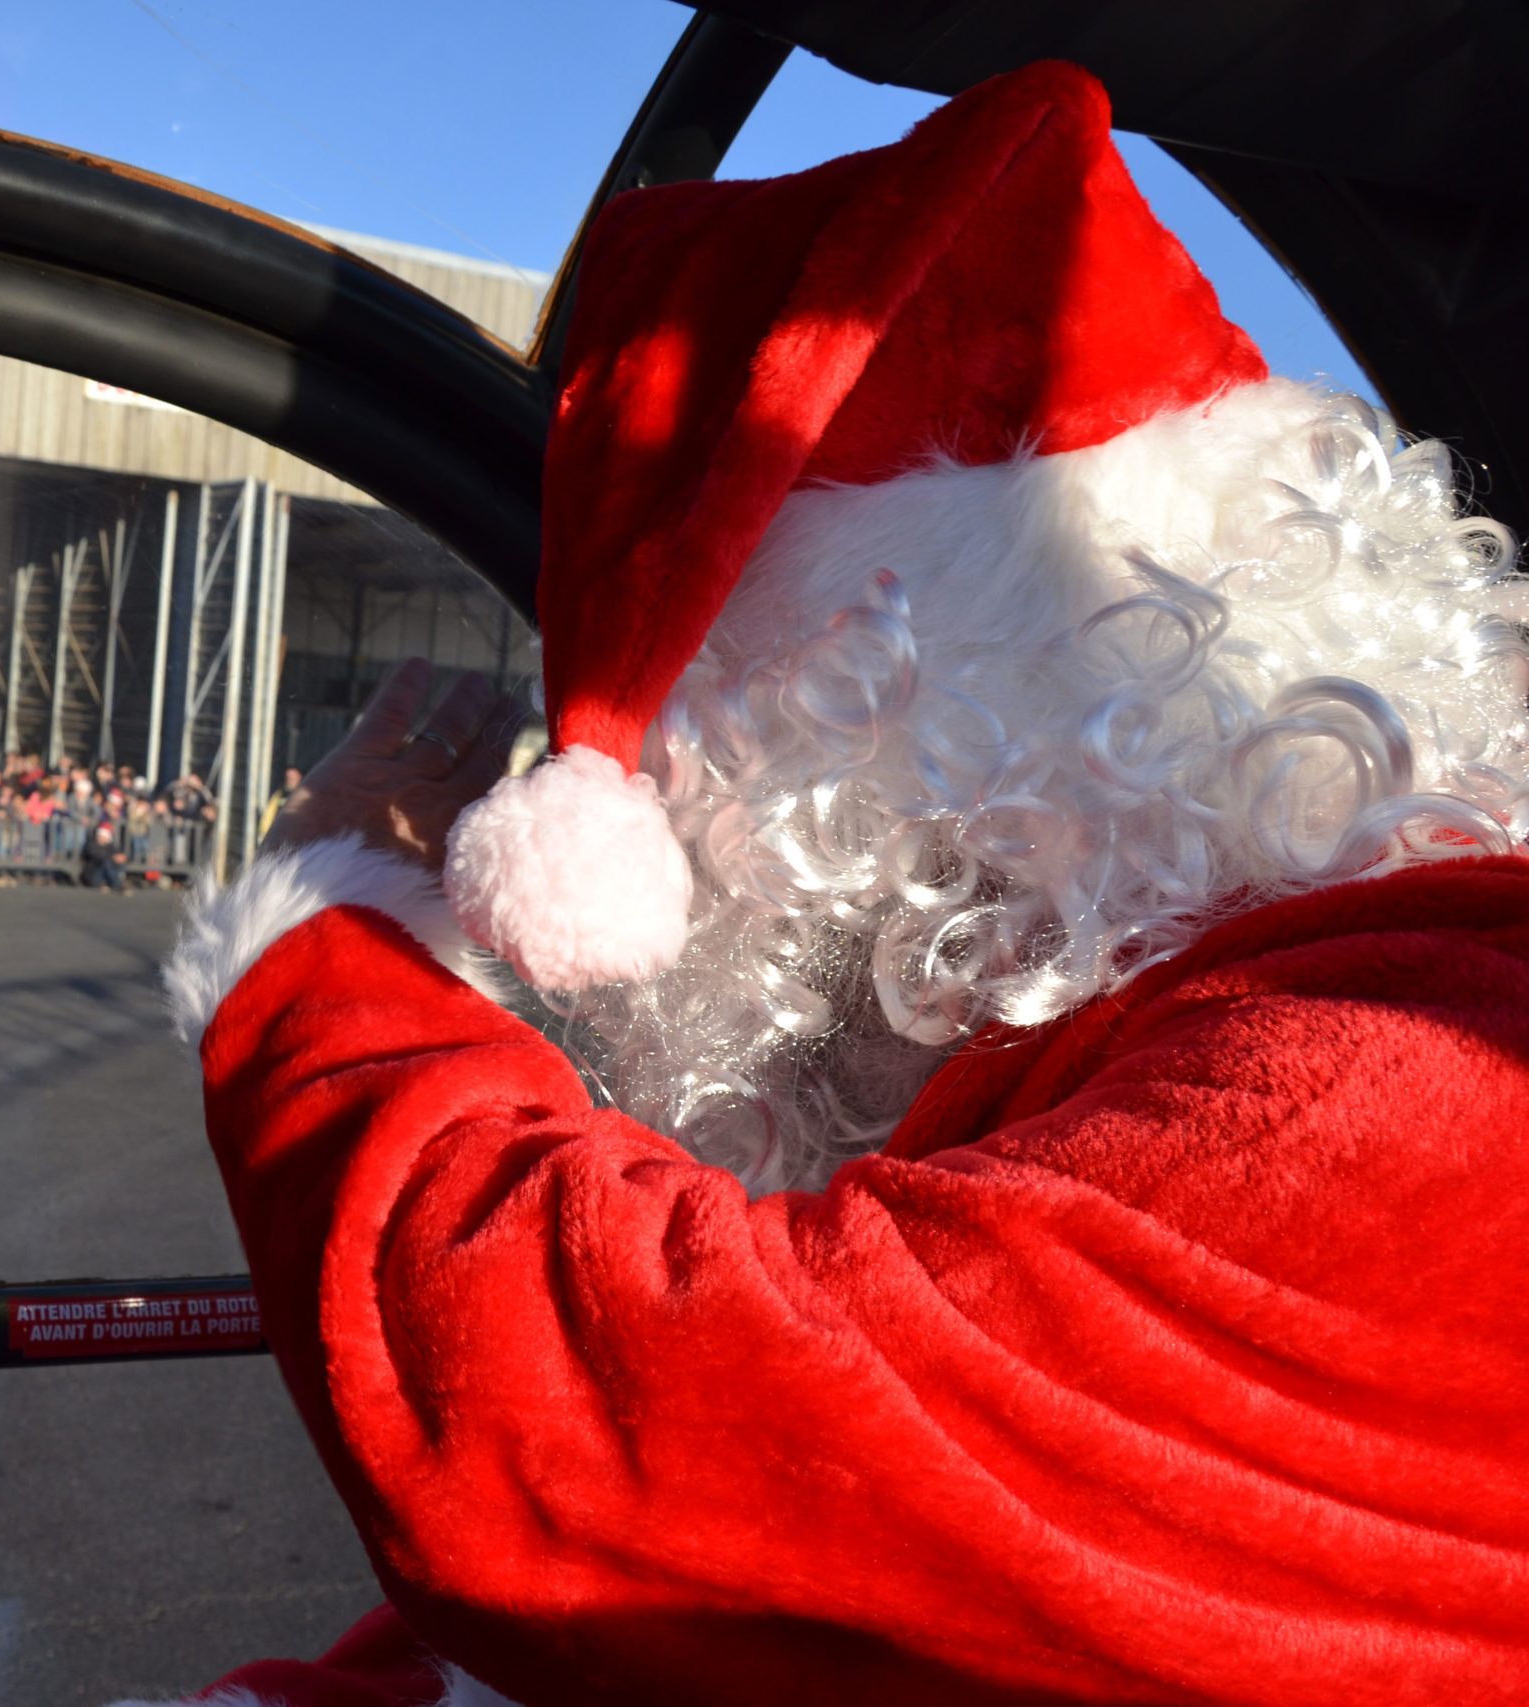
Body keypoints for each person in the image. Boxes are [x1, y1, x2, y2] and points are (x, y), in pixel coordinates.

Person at [155, 63, 1529, 1707]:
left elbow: (648, 1456)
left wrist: (335, 953)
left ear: (901, 807)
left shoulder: (1412, 1083)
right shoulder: (1282, 1030)